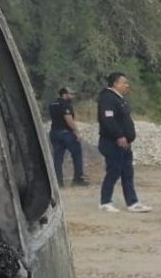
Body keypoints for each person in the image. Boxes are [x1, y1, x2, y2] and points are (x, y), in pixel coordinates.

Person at [97, 72, 151, 213]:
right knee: (113, 171)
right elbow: (108, 120)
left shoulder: (120, 99)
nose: (127, 85)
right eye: (124, 83)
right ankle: (105, 202)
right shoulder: (107, 98)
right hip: (112, 143)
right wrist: (119, 136)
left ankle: (132, 202)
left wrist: (128, 138)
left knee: (127, 172)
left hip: (125, 144)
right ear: (115, 84)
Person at [48, 87, 87, 186]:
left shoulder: (52, 104)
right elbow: (68, 119)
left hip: (54, 132)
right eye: (71, 94)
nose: (73, 96)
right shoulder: (65, 104)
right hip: (66, 133)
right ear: (64, 94)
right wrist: (76, 132)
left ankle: (58, 182)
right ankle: (78, 178)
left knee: (57, 158)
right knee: (77, 153)